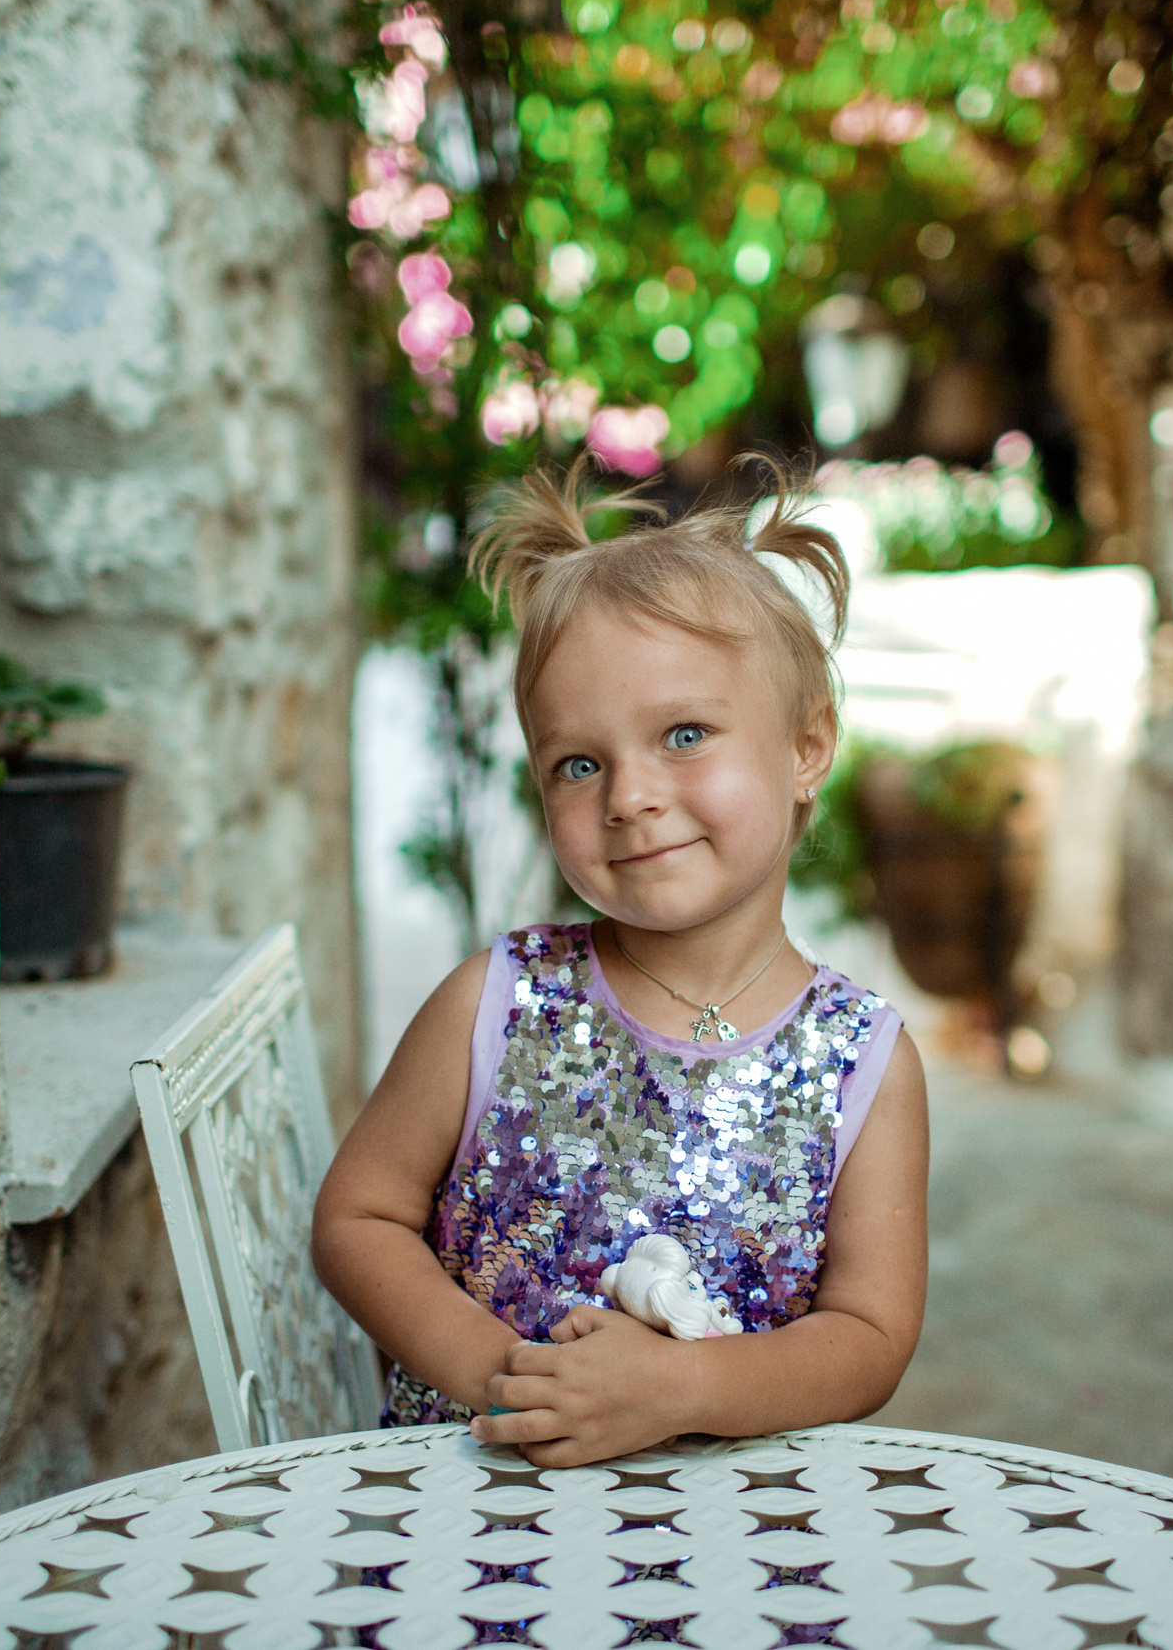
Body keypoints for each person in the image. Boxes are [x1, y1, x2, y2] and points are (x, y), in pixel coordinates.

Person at [312, 457, 929, 1468]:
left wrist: (685, 1387)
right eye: (579, 763)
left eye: (683, 734)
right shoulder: (497, 1004)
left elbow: (867, 1340)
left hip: (737, 1547)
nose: (629, 795)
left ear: (807, 745)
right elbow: (358, 1218)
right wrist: (515, 1381)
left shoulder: (865, 1063)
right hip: (477, 1527)